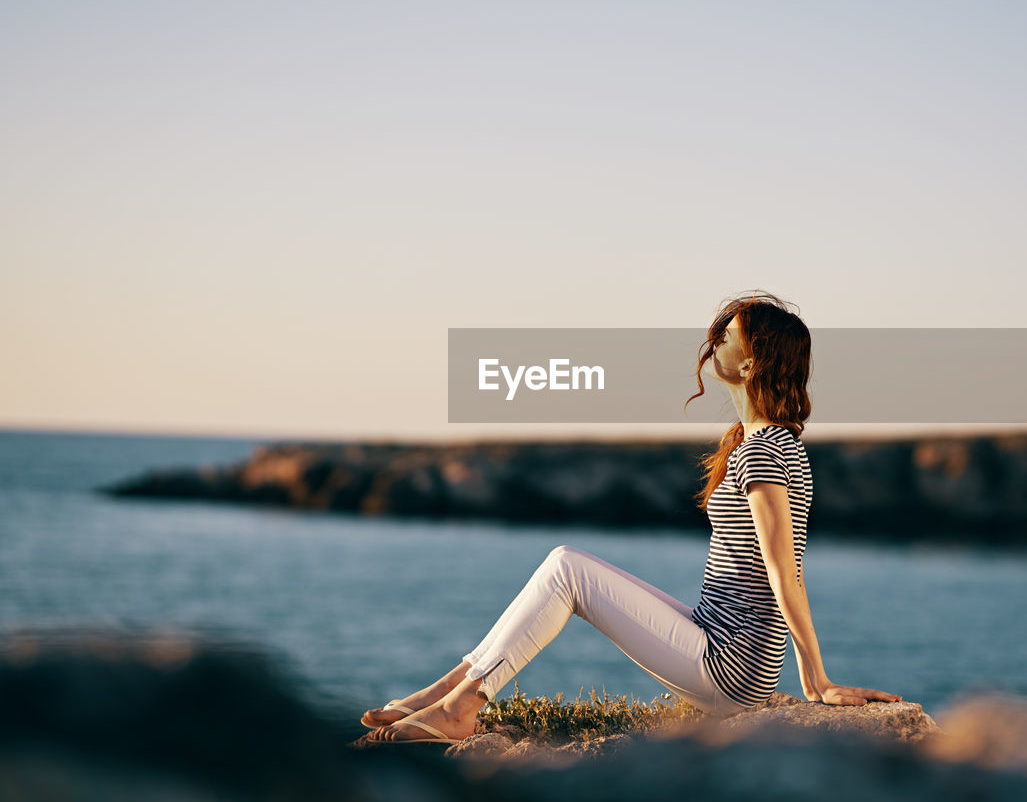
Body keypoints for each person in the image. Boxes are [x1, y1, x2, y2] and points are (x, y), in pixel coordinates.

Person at [360, 290, 900, 743]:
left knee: (566, 568)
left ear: (755, 359)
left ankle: (460, 708)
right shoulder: (769, 443)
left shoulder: (762, 450)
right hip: (715, 634)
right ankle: (444, 694)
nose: (716, 340)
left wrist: (815, 677)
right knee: (564, 565)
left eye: (728, 334)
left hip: (730, 666)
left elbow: (785, 572)